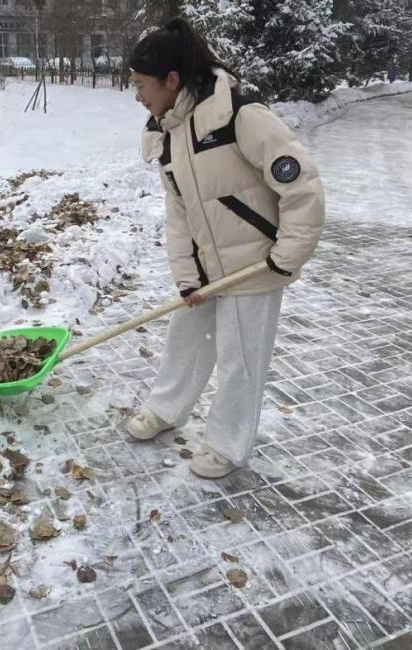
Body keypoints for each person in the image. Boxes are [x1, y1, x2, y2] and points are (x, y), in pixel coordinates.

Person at [125, 18, 325, 479]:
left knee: (241, 360)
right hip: (206, 266)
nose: (138, 96)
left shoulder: (239, 116)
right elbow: (179, 213)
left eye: (140, 85)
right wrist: (186, 275)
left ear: (171, 79)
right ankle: (166, 409)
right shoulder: (168, 132)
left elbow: (302, 187)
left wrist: (287, 255)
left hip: (254, 265)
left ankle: (227, 444)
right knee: (185, 341)